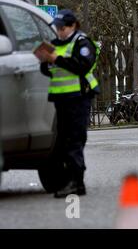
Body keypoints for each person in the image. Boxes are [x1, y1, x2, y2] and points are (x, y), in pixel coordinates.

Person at [37, 10, 100, 197]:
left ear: (73, 26)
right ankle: (70, 181)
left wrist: (58, 60)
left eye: (62, 27)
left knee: (75, 139)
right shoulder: (54, 45)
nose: (58, 31)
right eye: (56, 27)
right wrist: (46, 61)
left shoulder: (82, 43)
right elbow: (47, 70)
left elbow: (83, 66)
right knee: (63, 140)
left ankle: (76, 183)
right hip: (61, 98)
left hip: (79, 97)